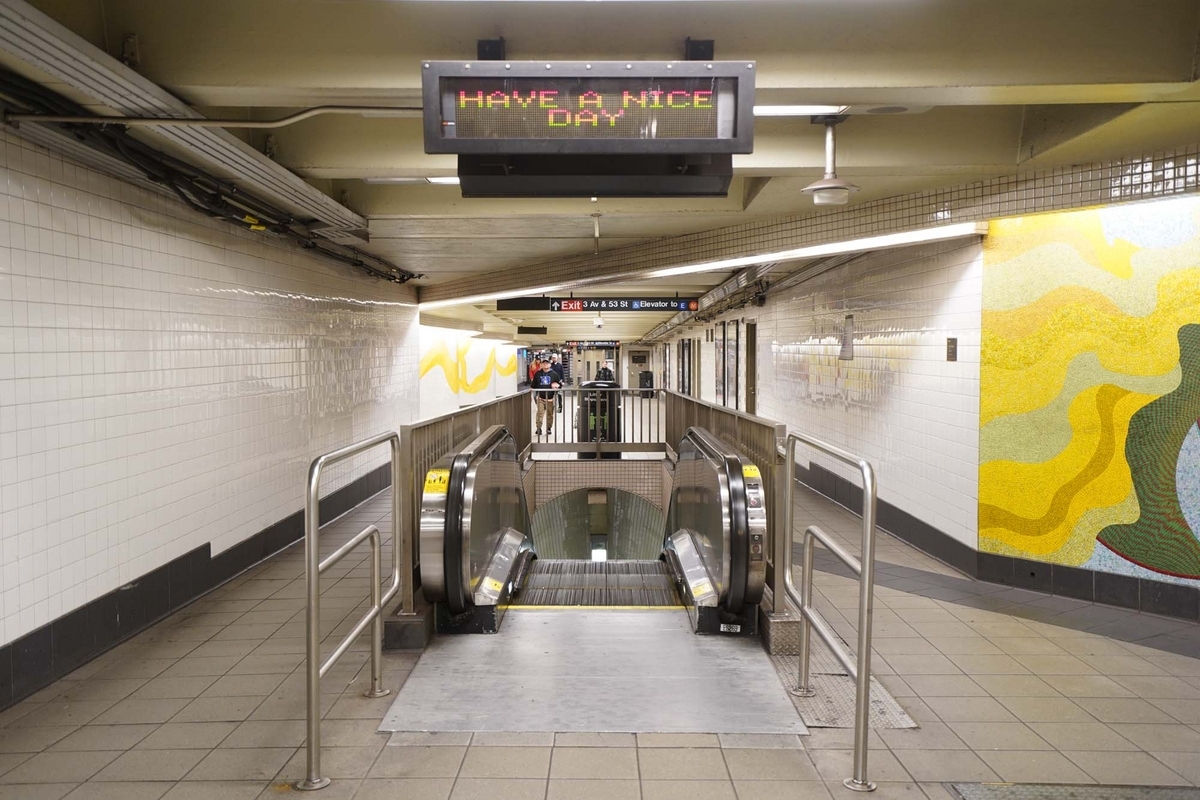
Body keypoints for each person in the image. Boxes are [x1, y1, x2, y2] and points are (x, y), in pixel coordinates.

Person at [530, 360, 560, 436]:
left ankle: (549, 428)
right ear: (541, 365)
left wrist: (557, 386)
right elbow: (533, 385)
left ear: (550, 365)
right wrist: (531, 395)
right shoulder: (538, 374)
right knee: (540, 413)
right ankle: (538, 428)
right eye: (543, 363)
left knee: (550, 414)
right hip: (540, 398)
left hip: (550, 398)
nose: (545, 364)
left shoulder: (554, 374)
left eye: (547, 363)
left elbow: (559, 384)